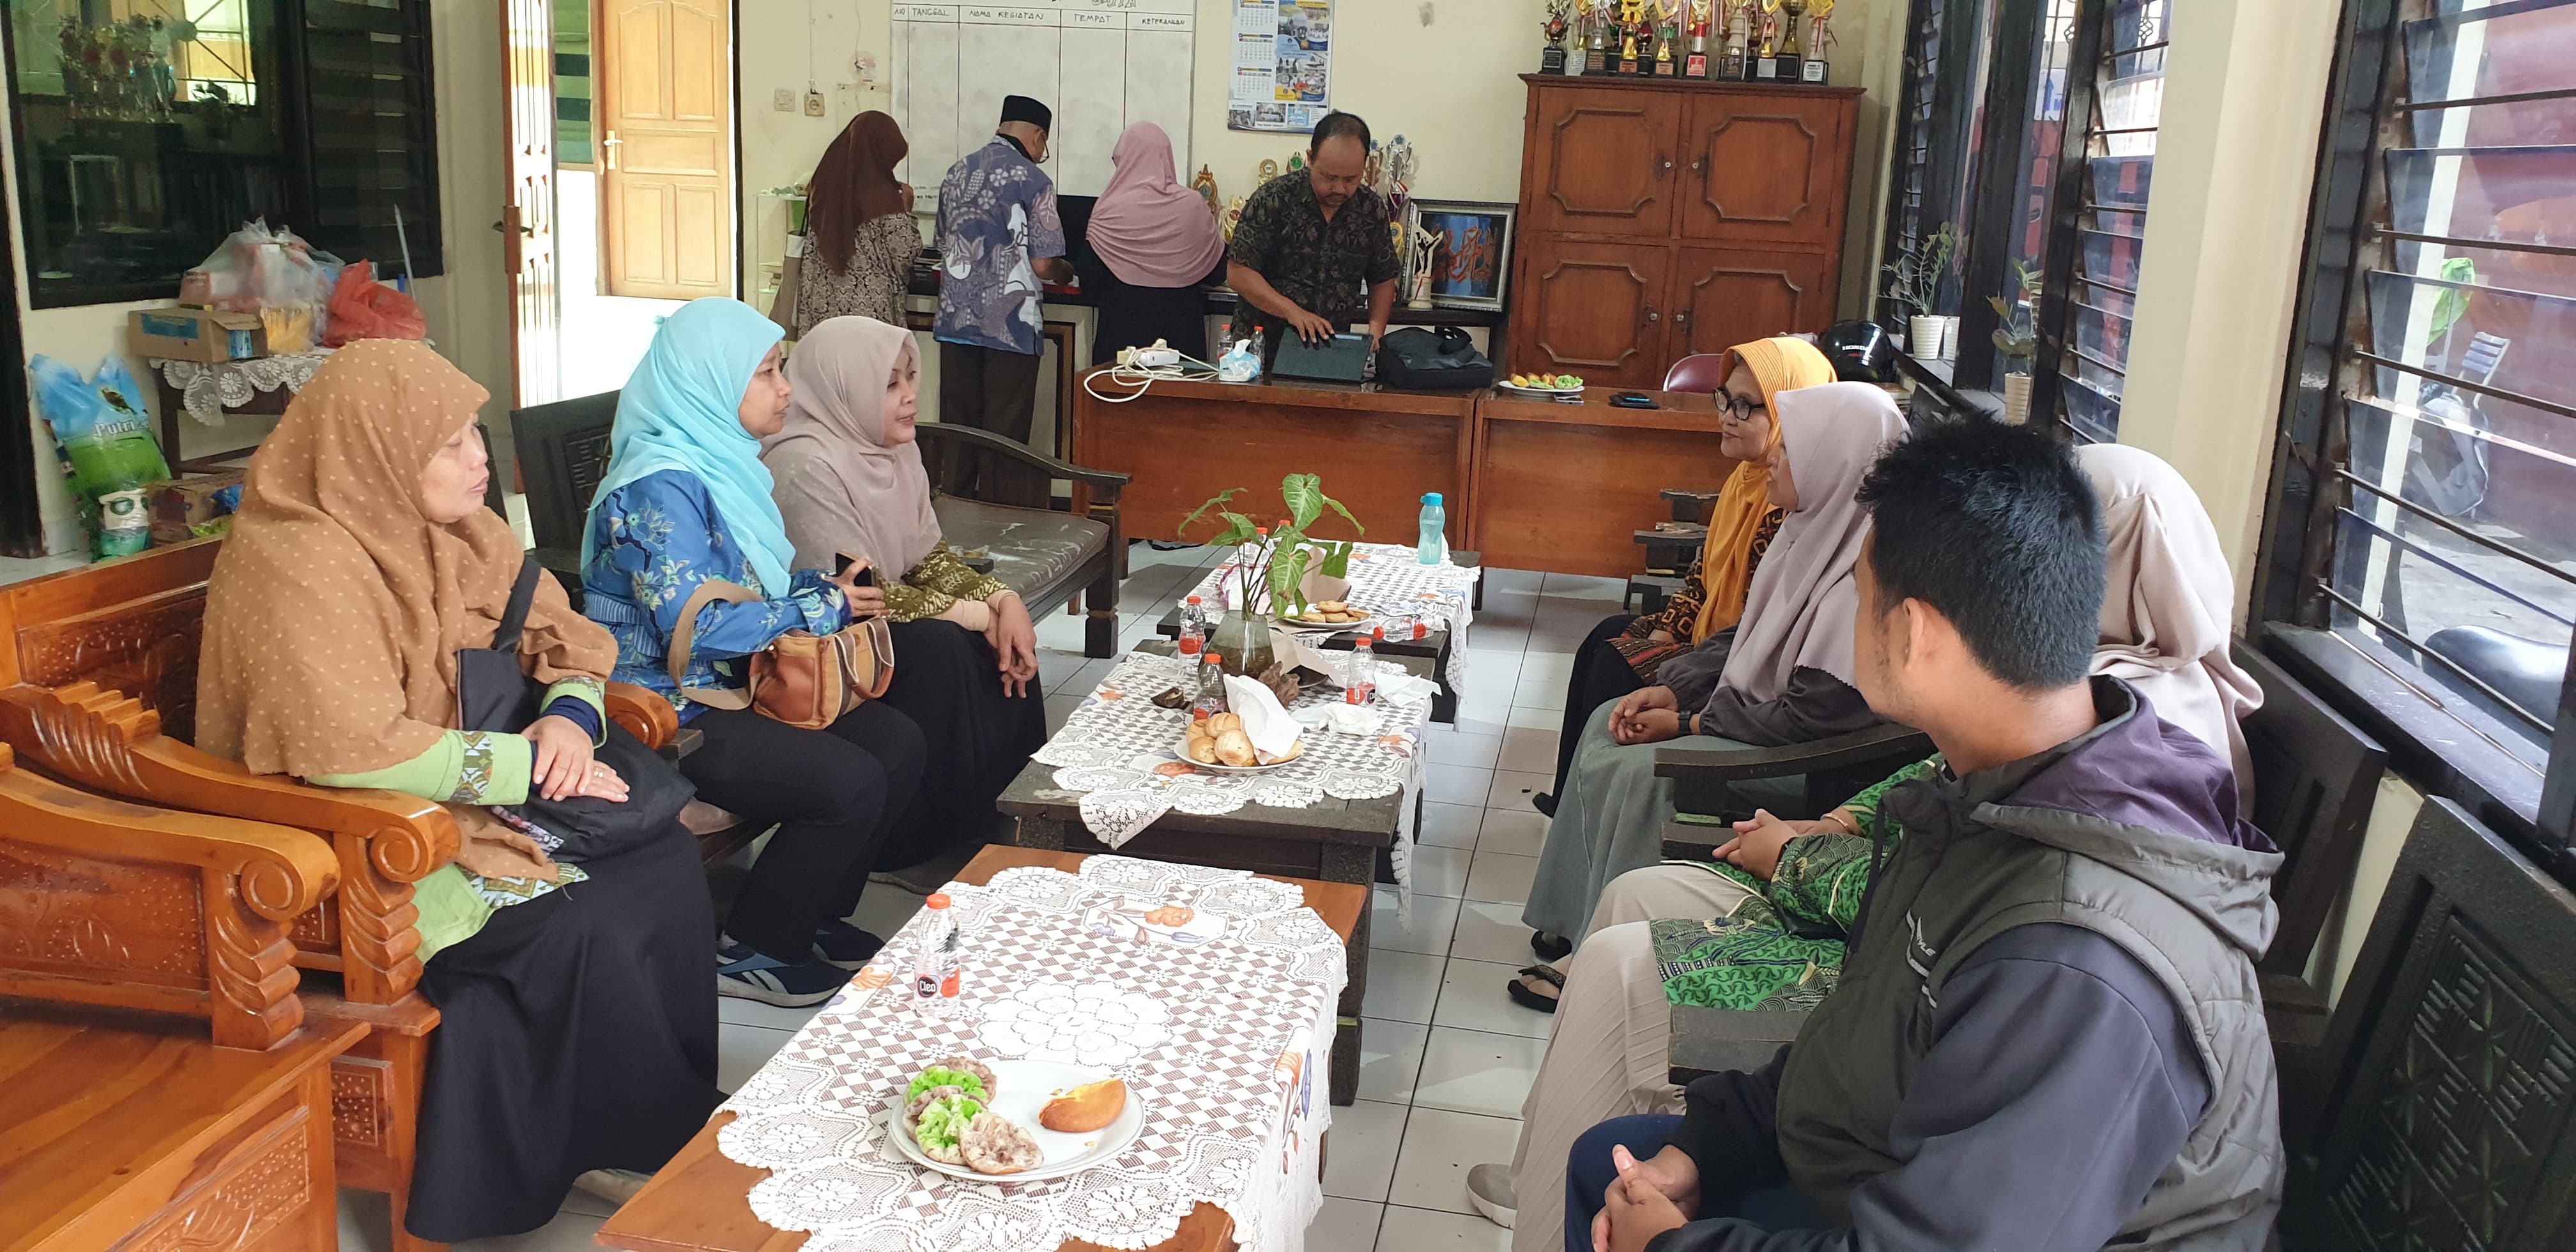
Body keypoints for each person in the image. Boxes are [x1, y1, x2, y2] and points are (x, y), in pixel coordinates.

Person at [1464, 443, 2266, 1246]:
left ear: (1914, 632)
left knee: (1622, 1204)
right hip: (1892, 1164)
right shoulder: (1992, 795)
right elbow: (1858, 1039)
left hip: (1933, 1216)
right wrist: (1714, 1142)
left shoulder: (2077, 959)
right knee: (1607, 1166)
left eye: (1859, 593)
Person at [196, 340, 717, 1242]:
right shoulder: (300, 561)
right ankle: (593, 1142)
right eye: (450, 444)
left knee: (661, 859)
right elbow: (345, 751)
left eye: (475, 433)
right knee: (578, 919)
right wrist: (519, 766)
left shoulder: (461, 532)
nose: (480, 458)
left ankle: (648, 1124)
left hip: (461, 797)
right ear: (376, 451)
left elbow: (565, 637)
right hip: (346, 835)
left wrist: (569, 719)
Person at [581, 297, 928, 1009]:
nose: (785, 389)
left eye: (781, 369)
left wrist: (820, 589)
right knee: (848, 782)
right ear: (710, 382)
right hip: (667, 709)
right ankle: (756, 947)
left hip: (738, 684)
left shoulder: (723, 464)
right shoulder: (658, 487)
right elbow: (698, 628)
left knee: (897, 743)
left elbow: (745, 588)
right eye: (767, 373)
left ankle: (812, 912)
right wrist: (822, 607)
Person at [1516, 383, 1905, 985]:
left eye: (1791, 449)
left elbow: (1813, 717)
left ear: (1836, 464)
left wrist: (1690, 723)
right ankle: (1570, 919)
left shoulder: (1862, 576)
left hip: (1807, 759)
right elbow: (1744, 636)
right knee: (1606, 722)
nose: (1774, 458)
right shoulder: (1806, 536)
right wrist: (1676, 689)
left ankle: (1601, 953)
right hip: (1759, 721)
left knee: (1647, 771)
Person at [764, 314, 1046, 885]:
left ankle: (1012, 818)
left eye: (910, 378)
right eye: (889, 384)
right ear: (845, 389)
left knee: (1004, 641)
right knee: (941, 648)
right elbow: (859, 588)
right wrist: (976, 615)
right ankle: (915, 846)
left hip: (879, 612)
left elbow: (928, 559)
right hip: (815, 627)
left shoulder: (893, 449)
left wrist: (1003, 601)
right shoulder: (803, 462)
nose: (911, 396)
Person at [1535, 336, 1840, 817]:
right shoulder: (1745, 480)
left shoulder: (1787, 503)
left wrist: (1673, 647)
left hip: (1735, 661)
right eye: (1726, 399)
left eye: (1748, 406)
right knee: (1605, 635)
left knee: (1616, 661)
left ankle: (1593, 806)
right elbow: (1703, 576)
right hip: (1710, 638)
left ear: (1792, 417)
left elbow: (1757, 622)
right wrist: (1666, 629)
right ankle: (1570, 796)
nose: (1729, 416)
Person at [933, 93, 1071, 507]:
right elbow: (1044, 264)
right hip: (1011, 326)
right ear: (1038, 136)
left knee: (958, 431)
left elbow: (943, 243)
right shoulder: (1034, 180)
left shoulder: (957, 172)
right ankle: (999, 523)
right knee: (1004, 437)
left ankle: (952, 518)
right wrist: (1067, 271)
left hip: (957, 323)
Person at [1224, 110, 1399, 361]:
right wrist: (1293, 312)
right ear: (1310, 158)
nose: (1339, 188)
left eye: (1351, 179)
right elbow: (1239, 273)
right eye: (1329, 177)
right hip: (1260, 349)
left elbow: (1383, 277)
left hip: (1330, 351)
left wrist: (1376, 331)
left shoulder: (1371, 209)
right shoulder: (1274, 199)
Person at [1075, 121, 1229, 365]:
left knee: (1117, 390)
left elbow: (1089, 277)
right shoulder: (1193, 205)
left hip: (1120, 338)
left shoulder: (1109, 208)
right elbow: (1217, 272)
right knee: (1177, 392)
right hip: (1182, 339)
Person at [783, 110, 917, 337]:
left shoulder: (822, 185)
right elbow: (904, 253)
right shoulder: (883, 195)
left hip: (821, 308)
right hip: (868, 314)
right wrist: (907, 209)